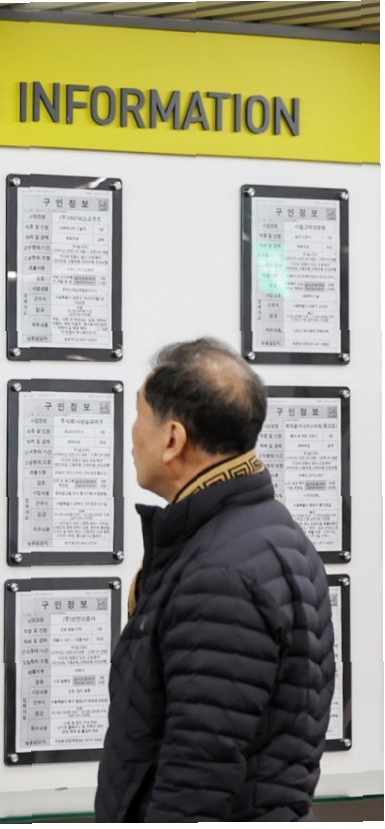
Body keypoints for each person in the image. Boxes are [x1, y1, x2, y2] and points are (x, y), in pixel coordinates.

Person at [95, 337, 335, 822]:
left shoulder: (220, 574)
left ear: (172, 438)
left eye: (139, 415)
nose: (132, 433)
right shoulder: (266, 533)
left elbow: (195, 779)